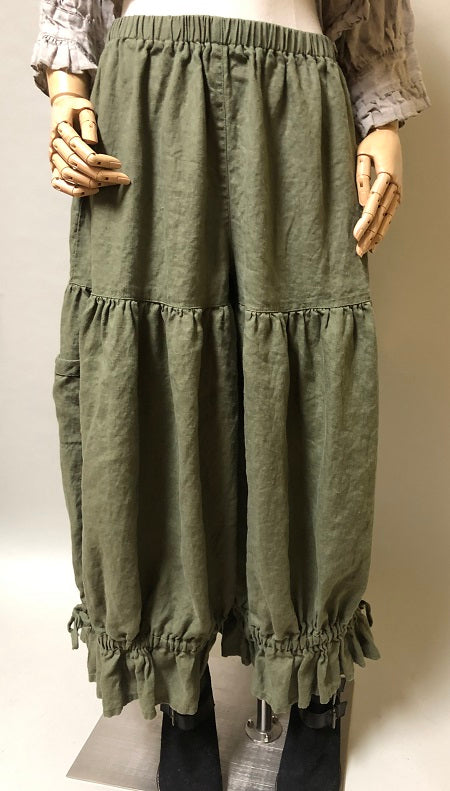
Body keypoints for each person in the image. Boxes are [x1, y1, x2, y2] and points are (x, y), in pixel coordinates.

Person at [30, 2, 431, 790]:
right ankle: (179, 686)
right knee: (149, 382)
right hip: (144, 98)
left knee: (312, 383)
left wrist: (383, 121)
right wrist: (67, 91)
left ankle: (311, 677)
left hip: (296, 97)